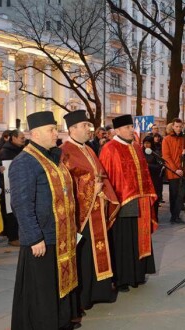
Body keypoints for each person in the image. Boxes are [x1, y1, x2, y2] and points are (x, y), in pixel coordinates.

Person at [10, 111, 79, 330]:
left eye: (55, 128)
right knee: (42, 289)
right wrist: (34, 237)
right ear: (35, 134)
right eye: (51, 129)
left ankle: (61, 322)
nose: (56, 133)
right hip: (42, 238)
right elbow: (21, 203)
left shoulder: (53, 156)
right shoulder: (24, 162)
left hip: (61, 233)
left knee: (59, 284)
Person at [60, 110, 120, 316]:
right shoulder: (65, 151)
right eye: (85, 125)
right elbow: (65, 184)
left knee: (99, 251)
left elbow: (100, 174)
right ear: (73, 128)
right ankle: (85, 296)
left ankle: (99, 292)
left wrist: (103, 192)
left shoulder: (89, 149)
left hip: (97, 208)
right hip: (81, 214)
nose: (89, 129)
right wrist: (90, 190)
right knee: (85, 255)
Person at [99, 114, 158, 292]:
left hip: (139, 200)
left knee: (138, 237)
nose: (132, 130)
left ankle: (138, 275)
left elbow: (145, 172)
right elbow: (107, 177)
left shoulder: (137, 147)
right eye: (127, 128)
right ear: (117, 130)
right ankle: (122, 279)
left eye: (132, 127)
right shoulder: (110, 149)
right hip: (121, 201)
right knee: (123, 240)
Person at [162, 118, 185, 224]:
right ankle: (174, 216)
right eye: (177, 126)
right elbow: (166, 156)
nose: (179, 128)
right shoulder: (166, 139)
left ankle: (176, 216)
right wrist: (176, 169)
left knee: (182, 194)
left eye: (180, 126)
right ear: (173, 126)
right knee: (174, 195)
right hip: (173, 172)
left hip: (184, 170)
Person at [0, 130, 25, 247]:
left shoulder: (21, 150)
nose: (24, 140)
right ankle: (12, 237)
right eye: (21, 138)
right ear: (13, 138)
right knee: (10, 211)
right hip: (9, 187)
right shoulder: (5, 152)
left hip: (19, 185)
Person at [143, 136, 164, 218]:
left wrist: (148, 166)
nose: (146, 145)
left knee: (154, 199)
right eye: (144, 143)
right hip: (145, 180)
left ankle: (154, 216)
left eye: (148, 143)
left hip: (154, 179)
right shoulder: (141, 152)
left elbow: (160, 166)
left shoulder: (155, 153)